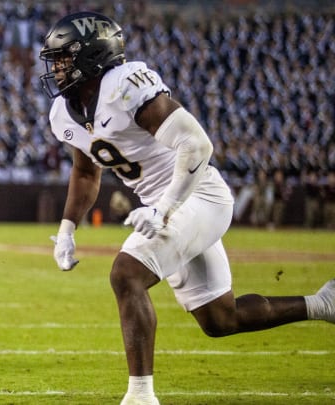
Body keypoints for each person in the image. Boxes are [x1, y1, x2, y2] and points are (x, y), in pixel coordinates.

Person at [40, 12, 334, 405]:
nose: (57, 69)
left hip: (199, 195)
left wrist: (163, 208)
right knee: (220, 320)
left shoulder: (124, 85)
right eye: (55, 60)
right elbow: (85, 173)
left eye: (64, 58)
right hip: (165, 204)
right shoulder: (63, 112)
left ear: (92, 54)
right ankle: (323, 304)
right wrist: (67, 228)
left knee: (126, 274)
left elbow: (197, 146)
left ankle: (140, 396)